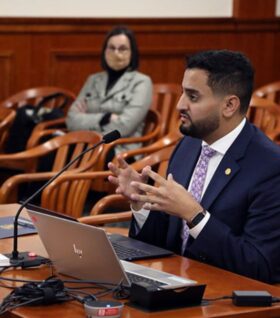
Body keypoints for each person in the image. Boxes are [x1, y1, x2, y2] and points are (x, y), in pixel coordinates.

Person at [108, 49, 280, 284]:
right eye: (182, 93)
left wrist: (195, 216)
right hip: (174, 284)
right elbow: (164, 244)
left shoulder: (270, 167)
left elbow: (260, 265)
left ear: (229, 105)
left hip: (224, 298)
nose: (180, 104)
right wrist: (142, 203)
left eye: (193, 96)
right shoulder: (188, 146)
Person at [66, 26, 152, 157]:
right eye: (111, 48)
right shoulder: (93, 80)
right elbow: (71, 120)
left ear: (132, 52)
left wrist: (86, 121)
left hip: (120, 151)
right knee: (54, 151)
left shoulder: (141, 82)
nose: (116, 53)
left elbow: (125, 126)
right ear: (104, 51)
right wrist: (104, 118)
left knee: (65, 156)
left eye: (122, 48)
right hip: (87, 146)